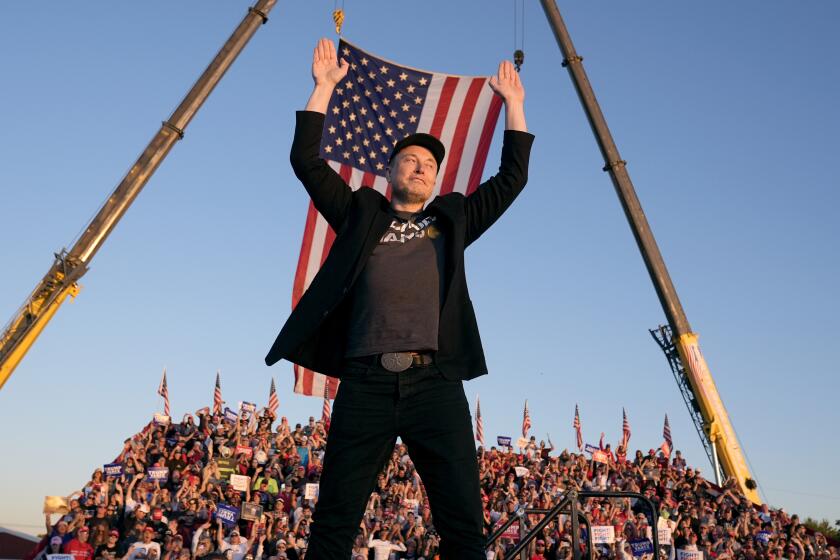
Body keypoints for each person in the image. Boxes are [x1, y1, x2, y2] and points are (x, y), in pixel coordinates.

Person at [264, 38, 531, 559]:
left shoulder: (451, 220)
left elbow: (511, 179)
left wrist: (513, 105)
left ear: (435, 180)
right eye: (409, 159)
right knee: (334, 523)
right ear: (391, 173)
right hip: (365, 383)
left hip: (435, 383)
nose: (420, 166)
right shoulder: (363, 214)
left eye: (429, 163)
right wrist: (323, 89)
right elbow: (306, 162)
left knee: (463, 527)